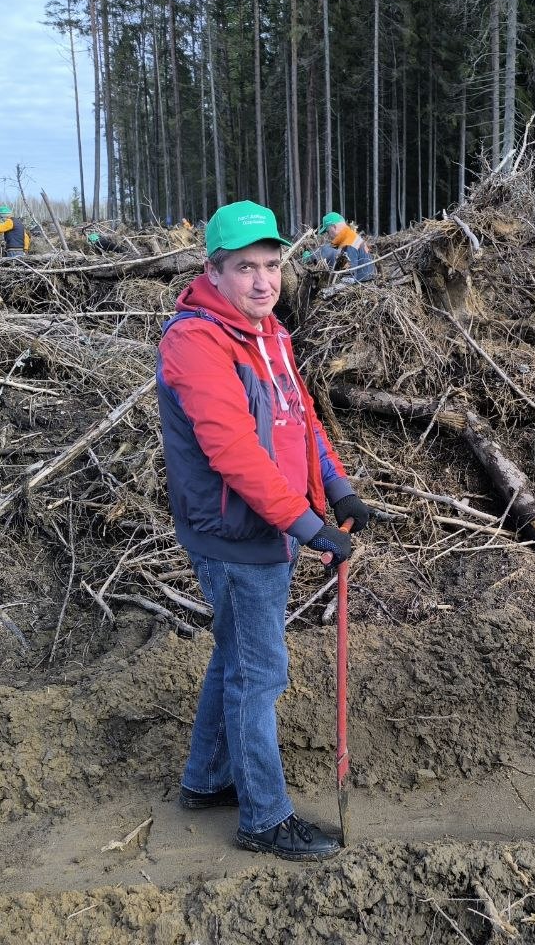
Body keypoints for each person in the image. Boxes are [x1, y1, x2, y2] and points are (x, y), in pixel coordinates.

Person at [156, 199, 371, 862]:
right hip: (236, 537)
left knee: (237, 658)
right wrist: (309, 526)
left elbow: (300, 421)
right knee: (259, 676)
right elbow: (233, 453)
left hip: (269, 528)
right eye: (245, 268)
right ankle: (265, 819)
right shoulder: (195, 342)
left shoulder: (269, 333)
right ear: (214, 272)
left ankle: (207, 779)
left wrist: (337, 486)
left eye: (271, 266)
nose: (262, 281)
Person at [314, 211, 375, 282]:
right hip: (367, 281)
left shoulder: (349, 244)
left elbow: (348, 278)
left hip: (361, 284)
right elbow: (331, 247)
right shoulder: (351, 236)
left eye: (328, 231)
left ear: (334, 227)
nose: (328, 235)